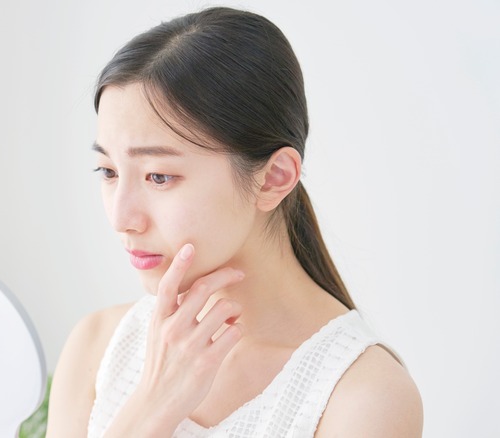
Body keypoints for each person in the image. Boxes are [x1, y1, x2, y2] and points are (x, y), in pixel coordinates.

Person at [46, 6, 422, 437]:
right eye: (109, 172)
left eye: (159, 176)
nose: (122, 219)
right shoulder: (98, 344)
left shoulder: (362, 396)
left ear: (273, 178)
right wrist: (148, 410)